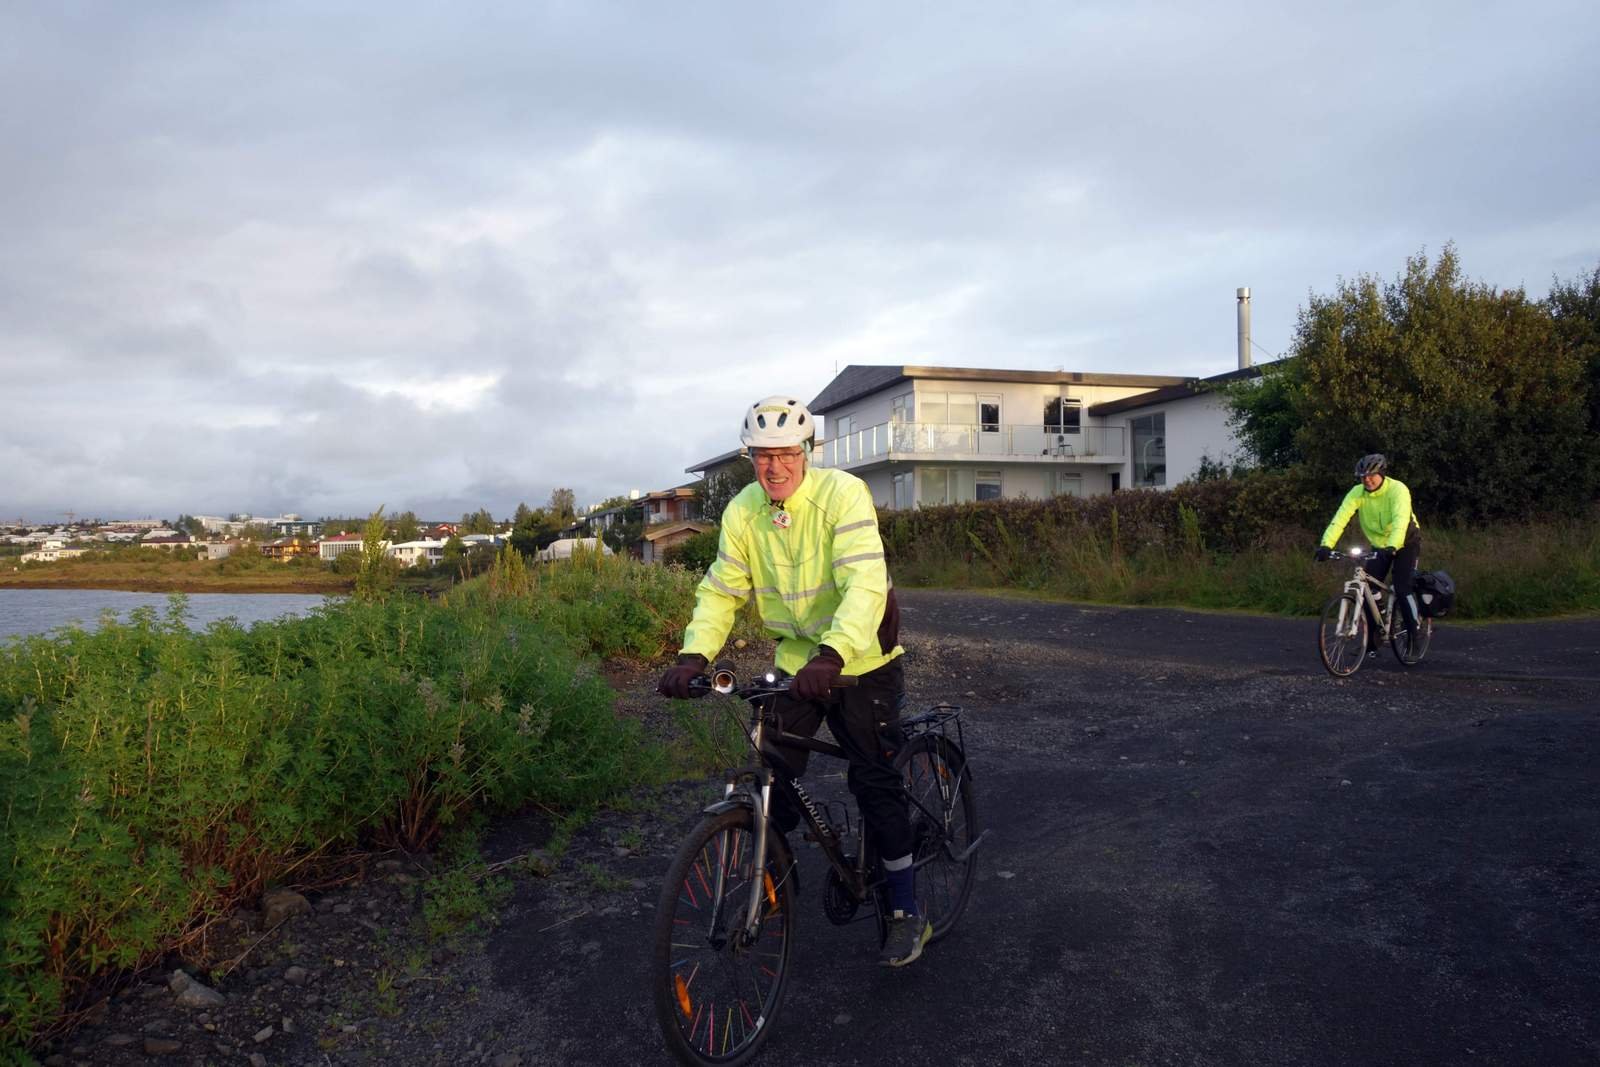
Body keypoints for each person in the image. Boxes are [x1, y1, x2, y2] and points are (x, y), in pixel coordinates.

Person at [656, 395, 926, 966]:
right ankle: (768, 888)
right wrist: (694, 654)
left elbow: (863, 584)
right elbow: (722, 588)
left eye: (785, 454)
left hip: (860, 658)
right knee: (772, 775)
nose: (774, 466)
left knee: (873, 782)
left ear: (806, 452)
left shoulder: (842, 494)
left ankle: (906, 910)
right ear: (750, 458)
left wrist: (834, 654)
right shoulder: (744, 511)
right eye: (762, 455)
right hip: (799, 660)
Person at [1314, 453, 1423, 655]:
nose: (1367, 480)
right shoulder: (1357, 493)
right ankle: (1373, 640)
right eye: (1363, 477)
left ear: (1382, 474)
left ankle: (1414, 634)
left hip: (1406, 542)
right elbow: (1340, 519)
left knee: (1402, 587)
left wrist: (1393, 545)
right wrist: (1326, 545)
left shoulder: (1398, 489)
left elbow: (1400, 521)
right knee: (1367, 587)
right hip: (1380, 545)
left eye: (1371, 475)